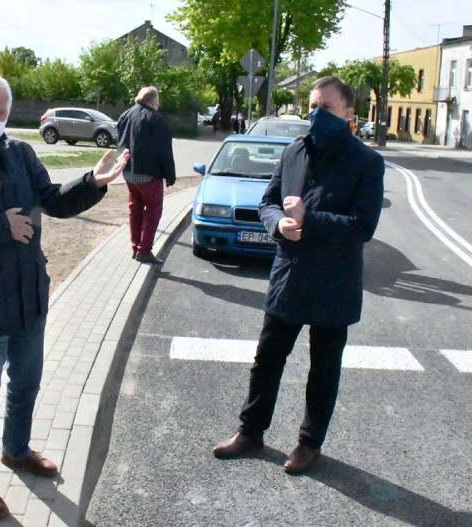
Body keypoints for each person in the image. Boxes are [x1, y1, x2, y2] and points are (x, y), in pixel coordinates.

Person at [0, 72, 129, 520]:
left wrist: (92, 183)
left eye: (0, 112)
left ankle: (16, 450)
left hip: (30, 298)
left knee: (27, 385)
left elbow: (53, 201)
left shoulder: (20, 151)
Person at [212, 76, 385, 475]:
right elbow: (268, 202)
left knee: (323, 369)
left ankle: (309, 445)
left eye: (325, 107)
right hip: (289, 274)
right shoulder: (293, 151)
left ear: (347, 114)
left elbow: (363, 226)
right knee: (267, 359)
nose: (315, 113)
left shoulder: (366, 162)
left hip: (334, 282)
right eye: (312, 105)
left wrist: (311, 220)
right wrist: (277, 225)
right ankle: (250, 431)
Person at [116, 86, 176, 265]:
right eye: (157, 100)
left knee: (135, 209)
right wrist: (170, 174)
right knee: (153, 210)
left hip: (128, 172)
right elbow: (164, 150)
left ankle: (135, 247)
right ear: (152, 101)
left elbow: (118, 140)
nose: (158, 104)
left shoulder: (125, 115)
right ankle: (144, 250)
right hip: (149, 174)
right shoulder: (155, 119)